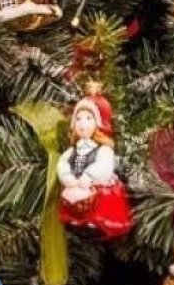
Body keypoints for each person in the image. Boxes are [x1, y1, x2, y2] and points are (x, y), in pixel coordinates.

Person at [56, 81, 133, 241]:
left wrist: (89, 177)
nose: (82, 124)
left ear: (99, 123)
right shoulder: (73, 150)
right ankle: (74, 220)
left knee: (102, 198)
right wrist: (67, 176)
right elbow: (63, 163)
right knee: (72, 200)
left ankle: (96, 222)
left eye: (88, 118)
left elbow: (104, 166)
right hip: (76, 186)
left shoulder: (103, 150)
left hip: (95, 186)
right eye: (78, 118)